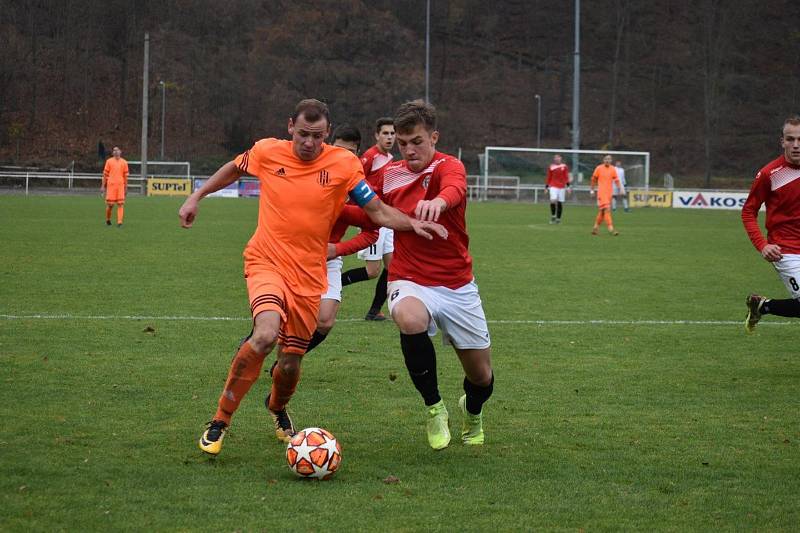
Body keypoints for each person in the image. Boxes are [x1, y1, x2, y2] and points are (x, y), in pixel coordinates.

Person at [179, 99, 447, 456]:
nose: (309, 143)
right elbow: (233, 168)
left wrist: (412, 222)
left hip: (309, 275)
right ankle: (220, 420)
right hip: (267, 261)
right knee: (264, 335)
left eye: (317, 136)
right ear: (291, 126)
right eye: (303, 134)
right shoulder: (267, 152)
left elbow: (376, 210)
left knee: (290, 361)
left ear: (327, 134)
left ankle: (277, 407)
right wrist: (197, 195)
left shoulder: (343, 164)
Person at [341, 100, 494, 450]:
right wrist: (331, 208)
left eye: (417, 141)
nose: (409, 150)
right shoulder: (389, 175)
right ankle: (434, 407)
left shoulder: (449, 167)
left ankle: (471, 411)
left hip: (457, 284)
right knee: (409, 320)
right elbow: (371, 213)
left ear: (434, 137)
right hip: (409, 277)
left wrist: (438, 203)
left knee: (482, 378)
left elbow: (453, 191)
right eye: (404, 142)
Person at [742, 116, 800, 332]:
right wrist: (762, 245)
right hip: (786, 251)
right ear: (782, 142)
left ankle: (761, 306)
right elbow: (748, 211)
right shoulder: (770, 174)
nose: (796, 145)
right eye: (790, 139)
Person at [340, 117, 397, 320]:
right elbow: (352, 184)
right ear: (377, 135)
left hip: (386, 220)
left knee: (393, 267)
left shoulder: (389, 158)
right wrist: (356, 218)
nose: (390, 137)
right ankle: (334, 283)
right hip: (371, 219)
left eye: (392, 133)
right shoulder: (368, 157)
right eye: (385, 133)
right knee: (372, 271)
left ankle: (374, 311)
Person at [590, 154, 621, 236]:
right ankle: (611, 229)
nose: (607, 160)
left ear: (611, 160)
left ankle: (595, 228)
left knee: (602, 212)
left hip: (609, 193)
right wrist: (592, 191)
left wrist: (620, 188)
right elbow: (593, 179)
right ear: (603, 160)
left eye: (609, 159)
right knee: (607, 209)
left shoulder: (613, 169)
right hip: (601, 193)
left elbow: (616, 179)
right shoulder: (599, 168)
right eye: (606, 159)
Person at [101, 146, 129, 227]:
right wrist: (103, 186)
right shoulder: (109, 161)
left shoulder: (124, 162)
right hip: (111, 186)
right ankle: (108, 219)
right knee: (110, 205)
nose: (116, 151)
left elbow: (125, 176)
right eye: (114, 150)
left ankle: (120, 222)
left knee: (120, 204)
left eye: (117, 150)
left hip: (120, 186)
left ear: (120, 152)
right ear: (113, 153)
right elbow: (105, 175)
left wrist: (126, 187)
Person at [544, 154, 571, 224]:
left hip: (562, 187)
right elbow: (548, 177)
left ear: (560, 158)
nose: (556, 159)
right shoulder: (551, 167)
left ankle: (558, 219)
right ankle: (553, 216)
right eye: (555, 158)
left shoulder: (564, 166)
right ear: (554, 159)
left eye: (558, 158)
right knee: (553, 200)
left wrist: (568, 187)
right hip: (553, 186)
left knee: (560, 202)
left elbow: (566, 177)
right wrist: (546, 187)